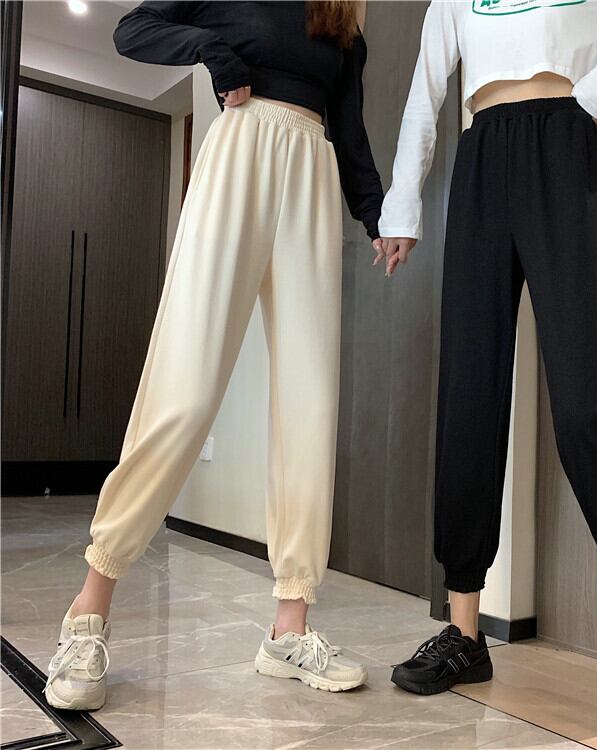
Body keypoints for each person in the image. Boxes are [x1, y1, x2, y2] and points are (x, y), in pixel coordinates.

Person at [377, 0, 597, 741]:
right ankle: (465, 633)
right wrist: (402, 206)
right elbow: (425, 92)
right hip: (480, 159)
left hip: (564, 152)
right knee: (468, 399)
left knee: (583, 408)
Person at [44, 0, 384, 709]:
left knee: (309, 402)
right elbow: (133, 30)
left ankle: (290, 626)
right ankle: (89, 608)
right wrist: (211, 51)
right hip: (238, 154)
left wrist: (377, 214)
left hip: (312, 173)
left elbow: (348, 127)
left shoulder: (343, 20)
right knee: (186, 385)